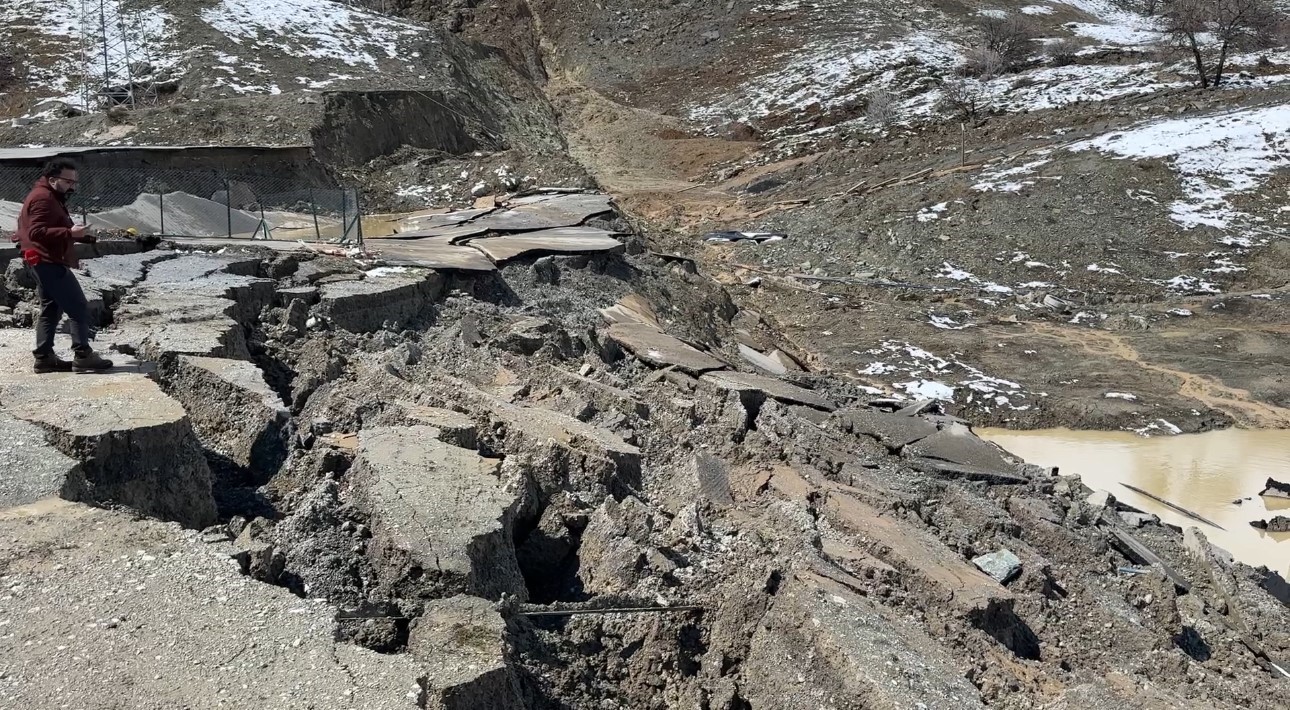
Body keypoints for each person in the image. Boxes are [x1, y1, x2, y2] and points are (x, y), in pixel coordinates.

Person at [12, 159, 113, 373]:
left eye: (74, 182)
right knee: (78, 308)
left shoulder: (49, 196)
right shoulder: (44, 198)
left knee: (51, 309)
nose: (72, 186)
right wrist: (70, 233)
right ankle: (83, 355)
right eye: (68, 181)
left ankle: (44, 358)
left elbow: (54, 229)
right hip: (47, 261)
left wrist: (85, 237)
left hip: (40, 260)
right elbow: (36, 233)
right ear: (52, 179)